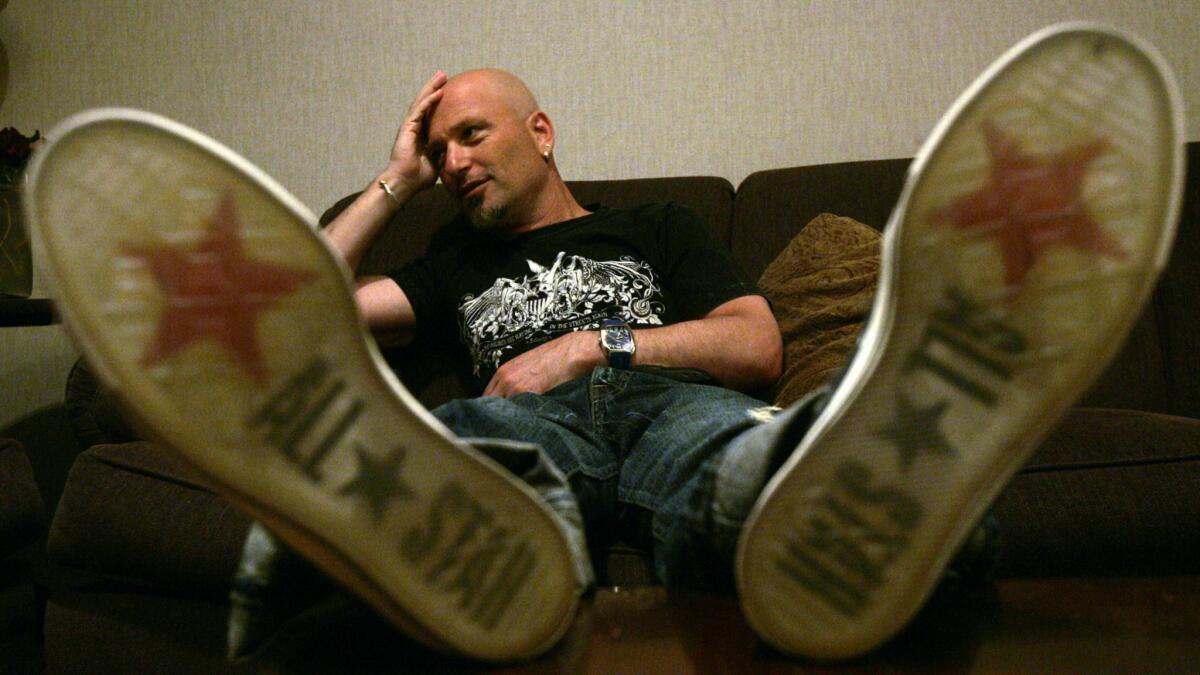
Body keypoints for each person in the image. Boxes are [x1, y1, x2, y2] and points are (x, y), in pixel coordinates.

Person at [26, 23, 1182, 665]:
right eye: (443, 152)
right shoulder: (444, 267)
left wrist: (594, 350)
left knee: (732, 462)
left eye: (471, 134)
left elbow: (754, 343)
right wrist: (392, 177)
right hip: (517, 424)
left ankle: (851, 487)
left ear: (542, 130)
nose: (459, 160)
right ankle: (432, 528)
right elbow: (295, 308)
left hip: (666, 397)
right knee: (484, 454)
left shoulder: (660, 226)